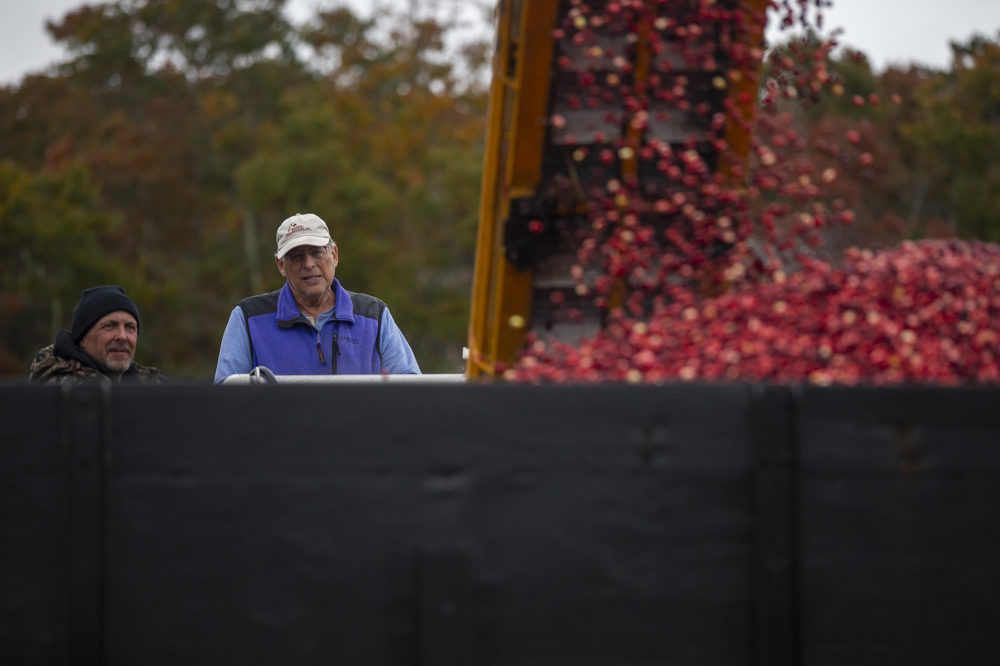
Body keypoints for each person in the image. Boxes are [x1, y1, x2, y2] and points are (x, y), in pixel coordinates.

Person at [213, 212, 420, 382]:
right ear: (280, 265)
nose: (309, 264)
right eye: (296, 256)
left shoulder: (374, 316)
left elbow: (411, 389)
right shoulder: (248, 318)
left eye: (317, 252)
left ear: (335, 255)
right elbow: (226, 402)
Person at [29, 285, 165, 385]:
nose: (122, 336)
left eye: (130, 327)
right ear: (82, 339)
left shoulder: (155, 385)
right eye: (110, 326)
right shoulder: (64, 390)